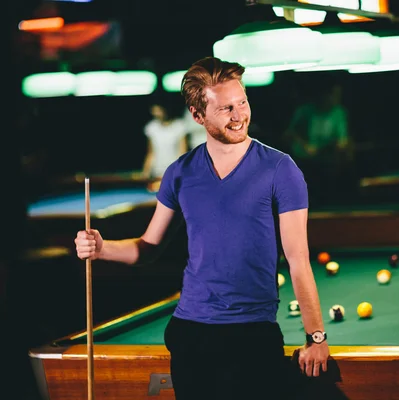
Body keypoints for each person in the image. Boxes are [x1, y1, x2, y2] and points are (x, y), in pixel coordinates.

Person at [74, 57, 330, 400]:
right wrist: (102, 248)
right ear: (198, 116)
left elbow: (298, 259)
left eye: (242, 103)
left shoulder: (280, 169)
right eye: (226, 108)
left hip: (252, 333)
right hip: (190, 333)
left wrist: (316, 336)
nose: (239, 115)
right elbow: (147, 248)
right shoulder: (180, 173)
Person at [284, 81, 353, 205]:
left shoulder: (339, 112)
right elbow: (290, 133)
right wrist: (305, 146)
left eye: (338, 95)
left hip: (327, 158)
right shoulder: (305, 111)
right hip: (303, 159)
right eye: (333, 94)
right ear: (323, 95)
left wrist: (340, 145)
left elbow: (342, 138)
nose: (336, 98)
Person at [141, 99, 188, 179]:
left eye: (158, 110)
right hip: (157, 174)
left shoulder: (180, 126)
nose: (155, 113)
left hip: (175, 174)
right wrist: (145, 173)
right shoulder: (151, 127)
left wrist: (178, 173)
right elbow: (150, 153)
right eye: (154, 110)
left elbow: (183, 153)